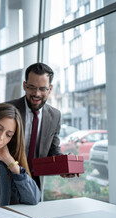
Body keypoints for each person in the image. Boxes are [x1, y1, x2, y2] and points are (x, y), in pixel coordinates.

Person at [7, 62, 75, 190]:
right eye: (32, 87)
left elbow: (53, 150)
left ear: (50, 89)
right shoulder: (7, 109)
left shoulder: (55, 116)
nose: (37, 94)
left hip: (34, 185)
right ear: (24, 86)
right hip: (4, 180)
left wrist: (64, 164)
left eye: (42, 89)